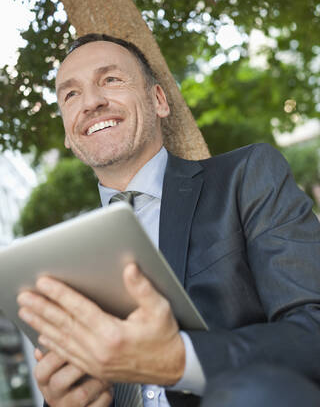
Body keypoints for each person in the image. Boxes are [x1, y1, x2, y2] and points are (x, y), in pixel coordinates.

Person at [17, 34, 320, 407]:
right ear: (67, 132)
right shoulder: (59, 258)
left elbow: (314, 330)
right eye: (70, 95)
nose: (91, 102)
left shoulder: (246, 177)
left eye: (111, 80)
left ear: (158, 100)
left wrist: (180, 360)